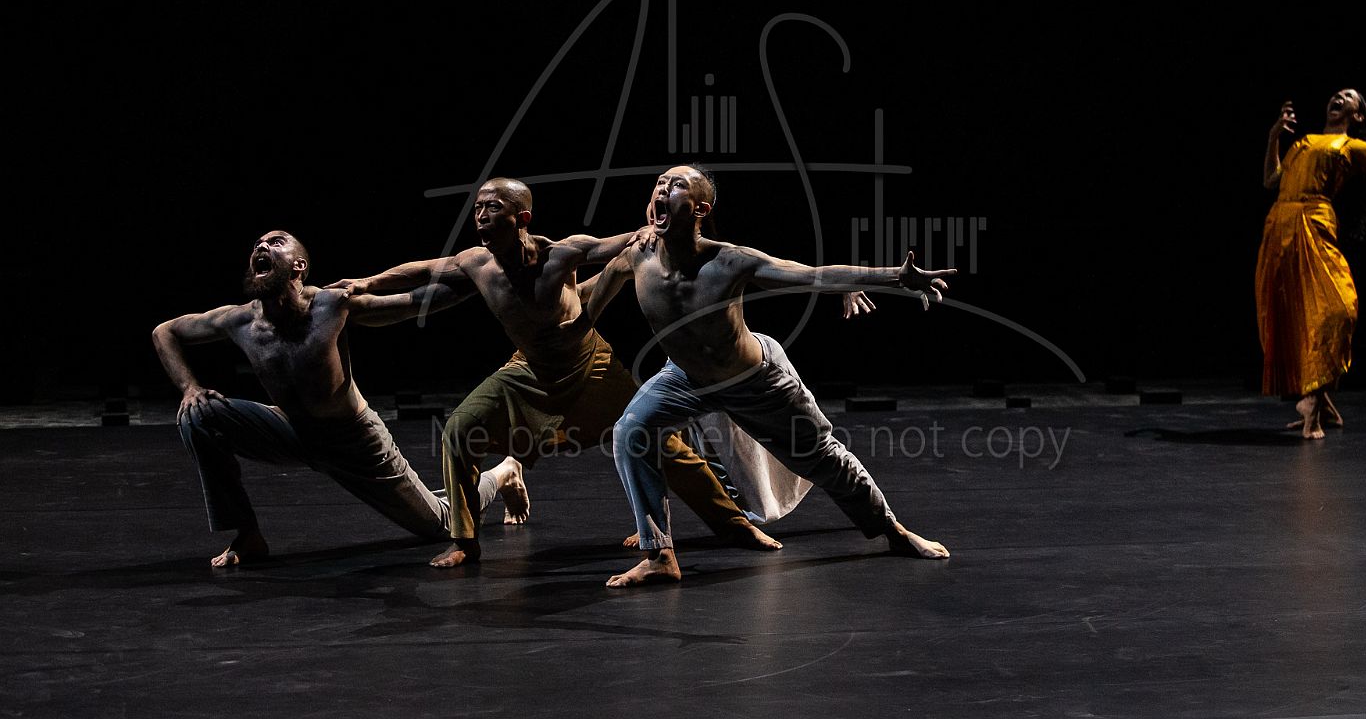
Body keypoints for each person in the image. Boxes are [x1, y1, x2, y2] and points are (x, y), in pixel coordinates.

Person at [333, 177, 780, 568]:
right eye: (477, 208)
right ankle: (465, 541)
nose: (481, 216)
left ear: (522, 217)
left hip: (589, 366)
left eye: (493, 208)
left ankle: (734, 524)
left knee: (659, 443)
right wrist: (367, 284)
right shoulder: (477, 263)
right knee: (459, 431)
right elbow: (421, 271)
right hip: (529, 370)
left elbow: (615, 245)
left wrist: (647, 230)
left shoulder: (558, 255)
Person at [578, 165, 955, 588]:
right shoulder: (635, 255)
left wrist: (895, 277)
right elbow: (580, 297)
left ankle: (893, 531)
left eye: (677, 185)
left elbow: (810, 275)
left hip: (754, 380)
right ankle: (660, 554)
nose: (663, 189)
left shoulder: (729, 261)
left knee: (823, 459)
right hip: (684, 377)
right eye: (660, 183)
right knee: (631, 431)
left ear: (700, 209)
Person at [153, 231, 505, 568]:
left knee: (441, 525)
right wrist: (189, 387)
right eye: (257, 243)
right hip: (291, 430)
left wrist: (482, 274)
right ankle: (247, 535)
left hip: (355, 441)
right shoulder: (239, 320)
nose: (261, 246)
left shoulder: (332, 305)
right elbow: (164, 332)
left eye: (276, 242)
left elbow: (416, 302)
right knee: (199, 415)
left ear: (299, 266)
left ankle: (503, 473)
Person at [1257, 89, 1366, 438]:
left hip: (1315, 224)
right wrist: (1273, 138)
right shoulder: (1302, 143)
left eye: (1349, 96)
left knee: (1339, 310)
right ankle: (1321, 406)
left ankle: (1312, 404)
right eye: (1337, 94)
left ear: (1357, 116)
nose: (1339, 96)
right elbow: (1270, 180)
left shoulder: (1352, 147)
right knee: (1293, 316)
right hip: (1280, 227)